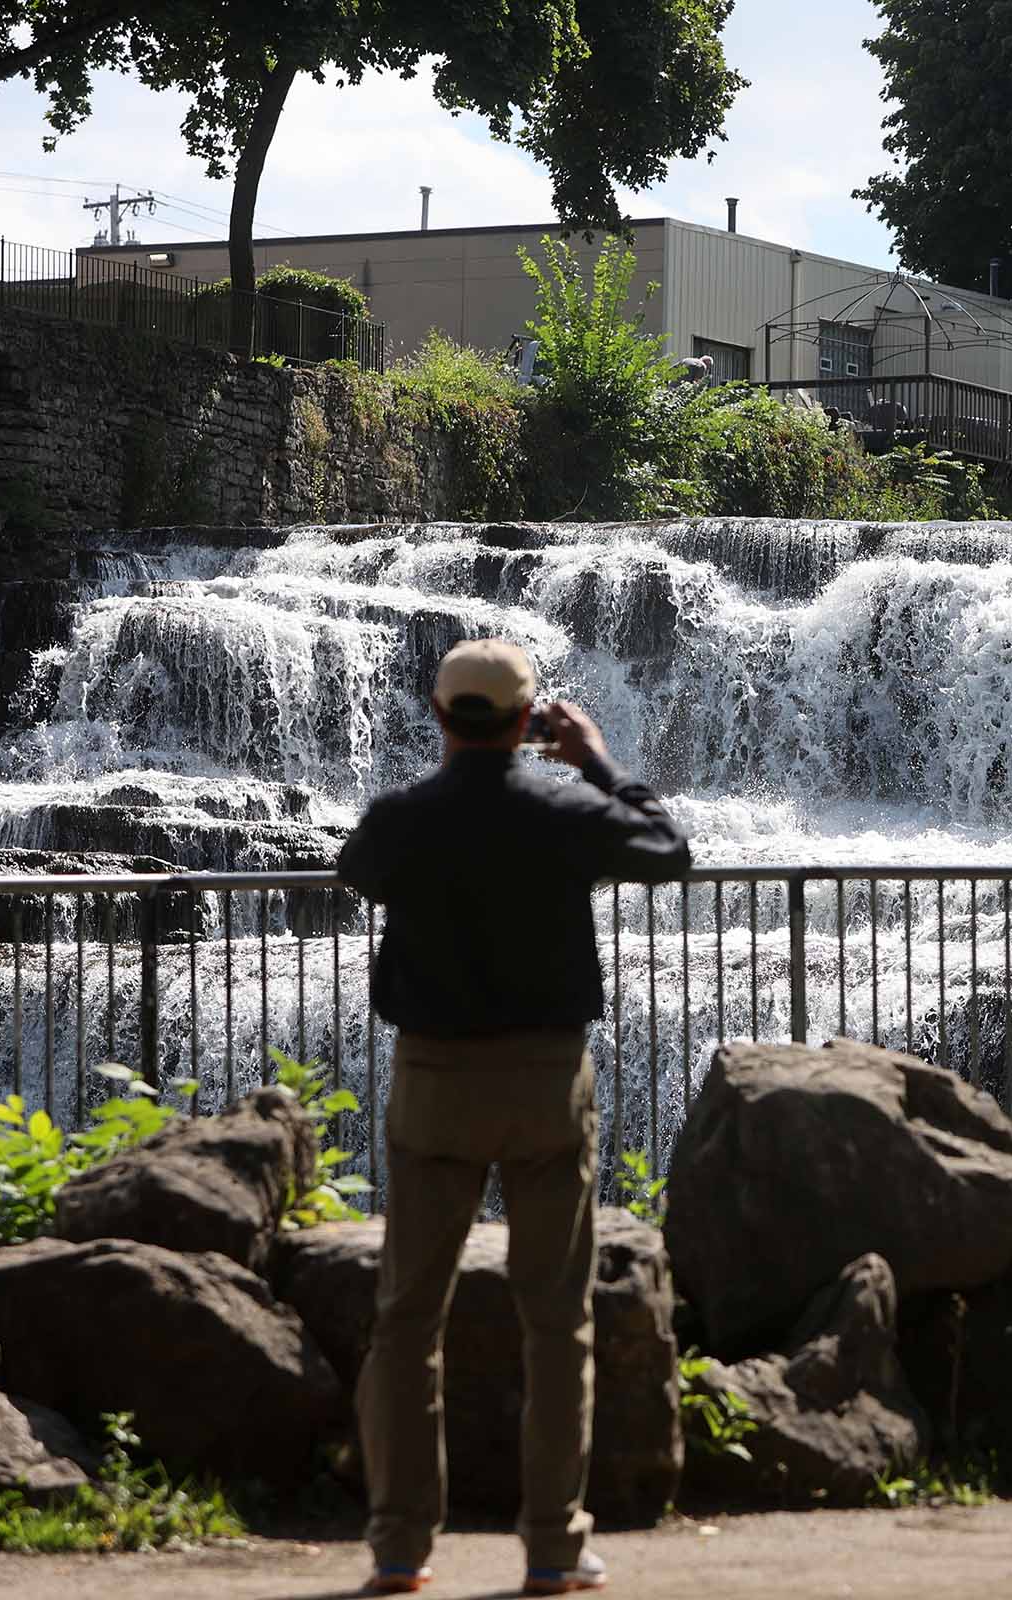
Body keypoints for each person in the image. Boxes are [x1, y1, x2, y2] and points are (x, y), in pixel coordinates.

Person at [336, 638, 691, 1597]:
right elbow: (668, 854)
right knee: (555, 1318)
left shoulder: (405, 818)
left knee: (407, 1318)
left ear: (442, 714)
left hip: (434, 1078)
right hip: (545, 1076)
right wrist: (599, 762)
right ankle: (551, 1548)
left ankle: (401, 1546)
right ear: (531, 720)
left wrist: (447, 789)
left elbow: (356, 868)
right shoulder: (565, 807)